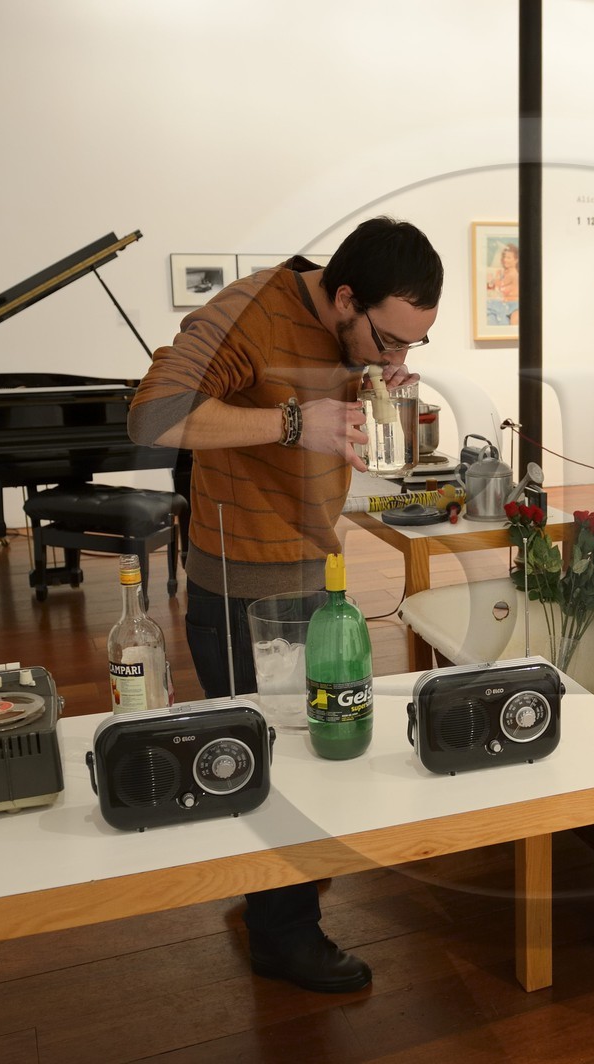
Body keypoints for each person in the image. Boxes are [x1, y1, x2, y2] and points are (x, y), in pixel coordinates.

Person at [128, 216, 443, 994]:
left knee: (312, 734)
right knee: (274, 756)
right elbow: (152, 416)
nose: (398, 356)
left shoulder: (346, 332)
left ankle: (279, 889)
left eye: (413, 346)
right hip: (242, 582)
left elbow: (330, 391)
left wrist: (375, 383)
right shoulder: (246, 312)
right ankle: (282, 935)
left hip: (310, 560)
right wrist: (297, 421)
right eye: (389, 341)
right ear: (344, 298)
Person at [485, 243, 519, 326]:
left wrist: (493, 279)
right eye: (504, 257)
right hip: (503, 304)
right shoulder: (503, 272)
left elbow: (498, 286)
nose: (505, 260)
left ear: (516, 260)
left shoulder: (513, 274)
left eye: (508, 258)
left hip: (513, 306)